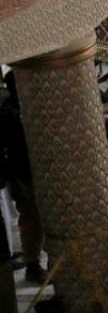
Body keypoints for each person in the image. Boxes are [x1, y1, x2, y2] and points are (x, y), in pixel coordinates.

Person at [0, 73, 42, 283]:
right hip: (23, 176)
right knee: (30, 221)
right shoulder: (9, 113)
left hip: (37, 173)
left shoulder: (29, 105)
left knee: (40, 219)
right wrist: (14, 179)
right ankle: (32, 265)